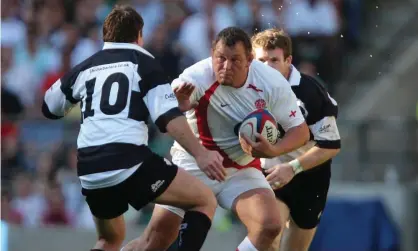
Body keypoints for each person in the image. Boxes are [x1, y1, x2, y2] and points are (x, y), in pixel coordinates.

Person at [41, 5, 225, 251]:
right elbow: (167, 118)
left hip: (90, 169)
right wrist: (201, 154)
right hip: (128, 161)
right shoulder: (144, 62)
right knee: (204, 200)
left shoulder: (86, 66)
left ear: (105, 35)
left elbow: (49, 107)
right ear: (139, 34)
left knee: (109, 240)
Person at [122, 27, 310, 251]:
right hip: (194, 165)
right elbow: (165, 112)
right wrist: (178, 107)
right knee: (153, 243)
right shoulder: (198, 75)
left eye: (235, 60)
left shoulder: (272, 83)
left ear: (249, 59)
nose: (226, 66)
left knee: (270, 225)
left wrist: (273, 150)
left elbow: (300, 131)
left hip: (241, 169)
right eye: (220, 58)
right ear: (212, 54)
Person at [251, 28, 341, 251]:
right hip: (270, 176)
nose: (267, 67)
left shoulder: (310, 92)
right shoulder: (245, 89)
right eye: (261, 60)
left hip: (310, 177)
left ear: (288, 60)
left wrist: (293, 168)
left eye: (274, 60)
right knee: (268, 234)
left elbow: (331, 145)